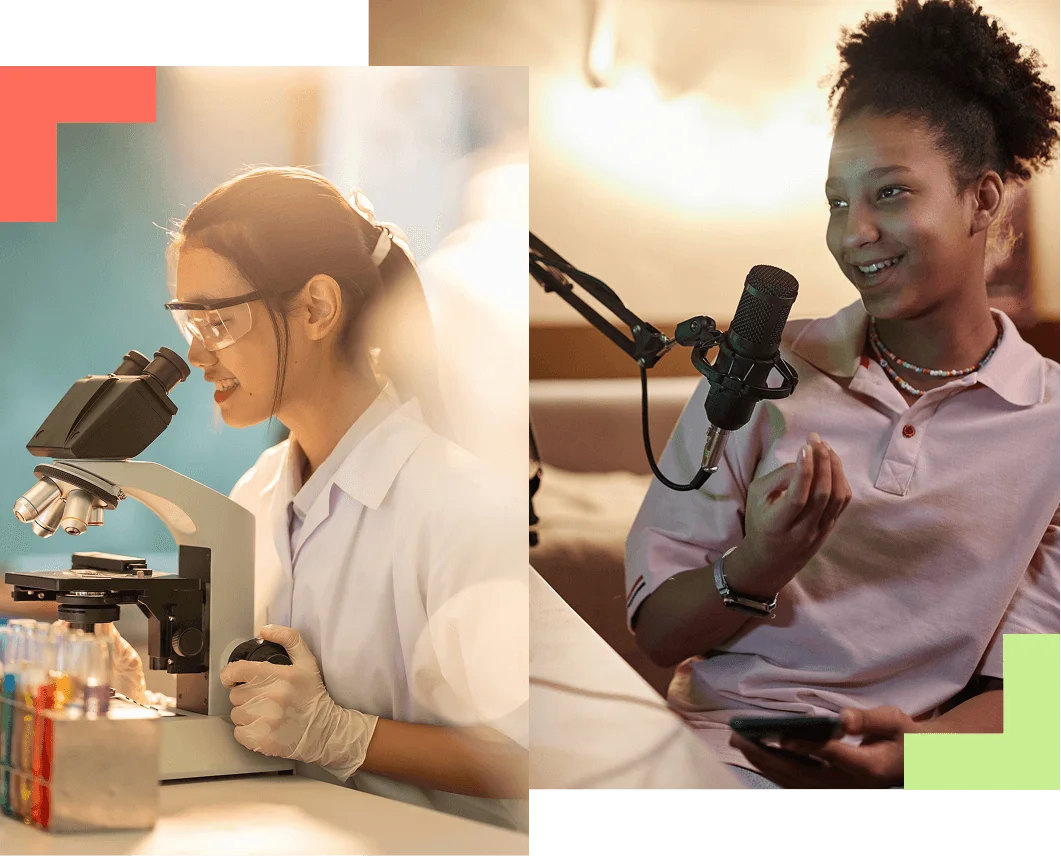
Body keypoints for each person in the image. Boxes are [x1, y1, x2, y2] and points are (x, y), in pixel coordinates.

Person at [625, 0, 1060, 790]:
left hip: (926, 765)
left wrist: (913, 758)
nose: (851, 231)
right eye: (835, 200)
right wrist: (758, 564)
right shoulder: (757, 375)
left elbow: (1034, 699)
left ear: (983, 198)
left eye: (889, 193)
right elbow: (658, 632)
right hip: (722, 755)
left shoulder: (1051, 428)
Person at [111, 166, 529, 829]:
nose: (194, 354)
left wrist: (345, 735)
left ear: (315, 308)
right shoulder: (255, 493)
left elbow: (528, 757)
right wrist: (145, 697)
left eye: (216, 319)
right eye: (189, 320)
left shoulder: (458, 505)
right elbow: (252, 712)